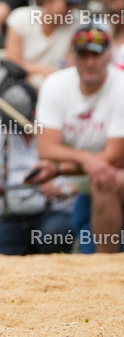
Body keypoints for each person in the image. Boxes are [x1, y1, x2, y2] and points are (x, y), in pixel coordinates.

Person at [36, 25, 124, 253]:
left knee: (105, 180)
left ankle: (107, 266)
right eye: (83, 54)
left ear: (109, 56)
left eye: (96, 54)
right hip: (88, 184)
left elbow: (114, 158)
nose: (90, 62)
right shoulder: (54, 84)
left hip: (103, 181)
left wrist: (58, 169)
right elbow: (46, 149)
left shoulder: (121, 85)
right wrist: (85, 159)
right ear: (72, 56)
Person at [0, 82, 76, 256]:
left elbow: (82, 171)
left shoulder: (55, 125)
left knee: (56, 233)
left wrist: (62, 188)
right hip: (12, 218)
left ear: (35, 111)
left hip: (52, 213)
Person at [4, 0, 82, 89]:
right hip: (21, 85)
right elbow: (12, 61)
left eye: (75, 5)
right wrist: (44, 71)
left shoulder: (78, 23)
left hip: (58, 87)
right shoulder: (21, 18)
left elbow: (70, 66)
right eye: (68, 3)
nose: (71, 9)